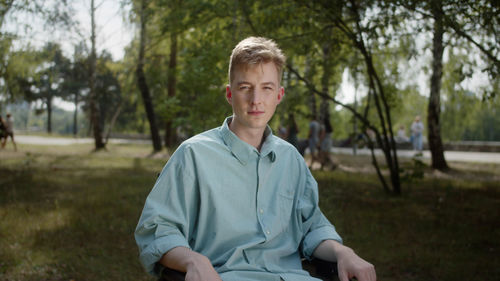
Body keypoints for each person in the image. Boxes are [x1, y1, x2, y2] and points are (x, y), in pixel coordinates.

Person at [135, 37, 376, 281]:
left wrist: (343, 252)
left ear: (279, 95)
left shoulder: (291, 159)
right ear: (230, 94)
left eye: (266, 88)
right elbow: (158, 230)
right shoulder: (193, 155)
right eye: (245, 87)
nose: (256, 100)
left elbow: (312, 227)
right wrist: (192, 260)